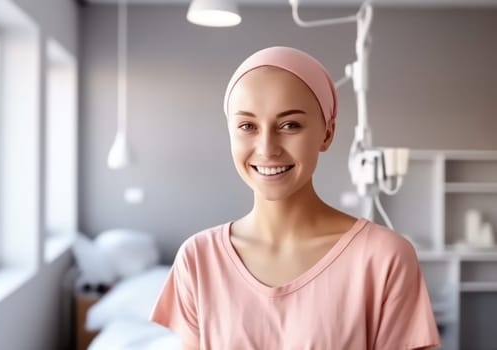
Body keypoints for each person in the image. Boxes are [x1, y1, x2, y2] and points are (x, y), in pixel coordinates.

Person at [150, 46, 441, 350]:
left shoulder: (384, 257)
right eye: (247, 126)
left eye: (290, 125)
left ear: (327, 133)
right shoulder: (198, 259)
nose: (267, 148)